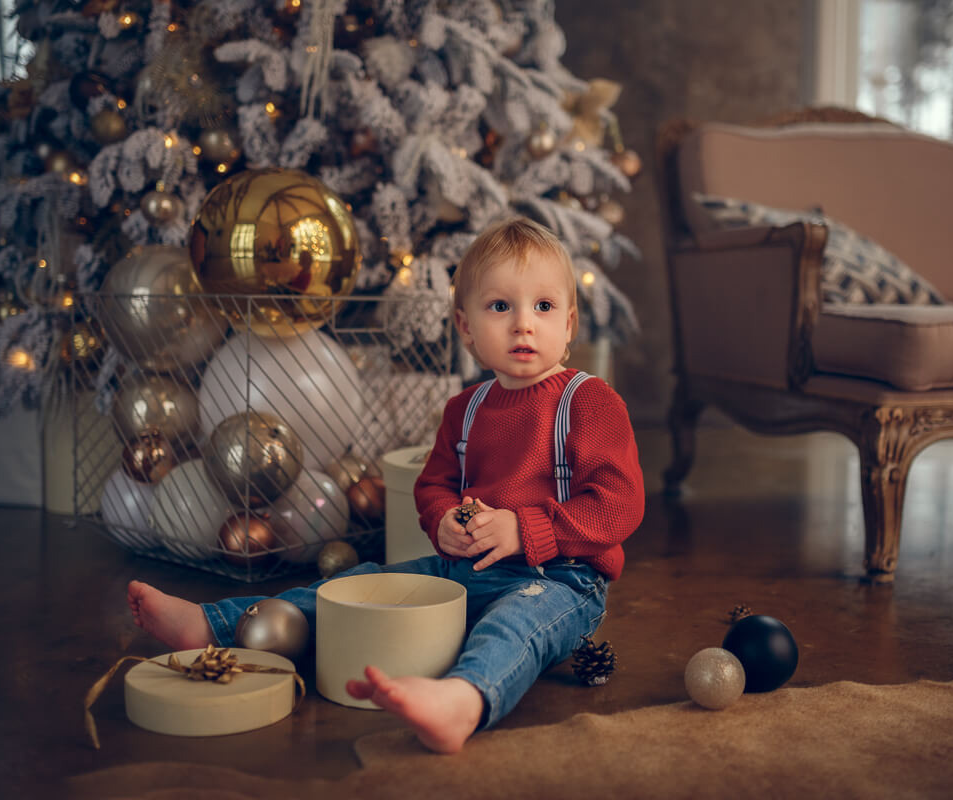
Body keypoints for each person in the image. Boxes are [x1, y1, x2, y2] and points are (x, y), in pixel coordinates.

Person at [128, 216, 645, 753]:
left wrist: (524, 528)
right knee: (363, 585)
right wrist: (443, 519)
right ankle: (213, 627)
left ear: (569, 323)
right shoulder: (464, 411)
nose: (523, 325)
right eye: (500, 307)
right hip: (462, 569)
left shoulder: (588, 403)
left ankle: (463, 701)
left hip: (559, 580)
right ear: (465, 328)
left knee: (516, 624)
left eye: (543, 307)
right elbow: (434, 486)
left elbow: (619, 505)